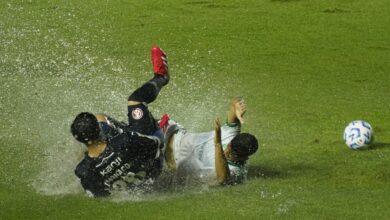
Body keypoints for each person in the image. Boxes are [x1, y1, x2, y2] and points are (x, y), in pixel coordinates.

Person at [71, 46, 169, 197]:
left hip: (139, 188)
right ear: (98, 129)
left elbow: (99, 195)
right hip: (155, 169)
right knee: (135, 100)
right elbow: (157, 144)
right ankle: (161, 76)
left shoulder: (83, 171)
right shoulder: (125, 141)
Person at [162, 96, 259, 185]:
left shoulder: (236, 171)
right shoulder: (231, 133)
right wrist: (237, 105)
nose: (226, 151)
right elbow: (235, 102)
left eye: (231, 154)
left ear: (244, 158)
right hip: (170, 133)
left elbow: (222, 179)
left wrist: (218, 144)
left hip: (165, 163)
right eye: (228, 146)